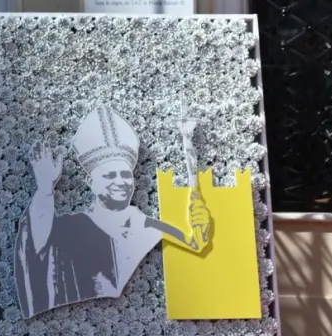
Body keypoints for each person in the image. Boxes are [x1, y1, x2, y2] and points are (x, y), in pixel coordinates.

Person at [15, 105, 211, 318]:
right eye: (109, 175)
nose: (120, 182)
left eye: (125, 175)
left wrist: (201, 225)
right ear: (91, 182)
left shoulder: (145, 225)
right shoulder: (72, 228)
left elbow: (195, 243)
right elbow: (36, 240)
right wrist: (45, 189)